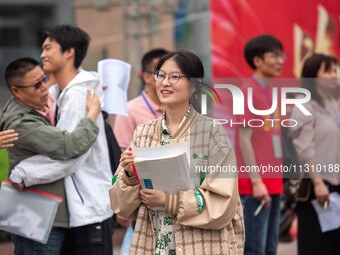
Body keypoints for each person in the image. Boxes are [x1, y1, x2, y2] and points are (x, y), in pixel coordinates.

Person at [109, 50, 244, 254]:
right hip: (154, 244)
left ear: (195, 84)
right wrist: (128, 175)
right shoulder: (143, 133)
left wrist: (169, 201)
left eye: (174, 77)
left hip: (202, 245)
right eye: (161, 76)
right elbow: (122, 207)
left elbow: (223, 202)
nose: (165, 82)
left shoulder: (211, 133)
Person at [9, 25, 114, 255]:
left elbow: (70, 155)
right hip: (78, 212)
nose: (42, 55)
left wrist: (23, 173)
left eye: (48, 48)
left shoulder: (78, 95)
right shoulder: (65, 92)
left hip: (88, 213)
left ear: (69, 52)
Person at [235, 35, 285, 255]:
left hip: (273, 183)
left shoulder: (269, 91)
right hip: (256, 186)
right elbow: (244, 139)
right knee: (255, 249)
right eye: (274, 56)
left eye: (281, 55)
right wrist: (256, 181)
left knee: (270, 248)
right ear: (258, 61)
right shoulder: (248, 91)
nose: (281, 60)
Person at [291, 54, 340, 255]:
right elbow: (304, 148)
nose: (334, 75)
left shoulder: (333, 105)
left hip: (336, 187)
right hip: (315, 187)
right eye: (328, 70)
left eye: (335, 70)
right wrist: (319, 183)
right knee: (315, 245)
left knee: (334, 245)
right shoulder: (304, 106)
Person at [114, 48, 168, 151]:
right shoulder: (128, 111)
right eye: (161, 75)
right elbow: (122, 156)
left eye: (173, 75)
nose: (167, 81)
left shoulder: (181, 108)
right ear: (146, 77)